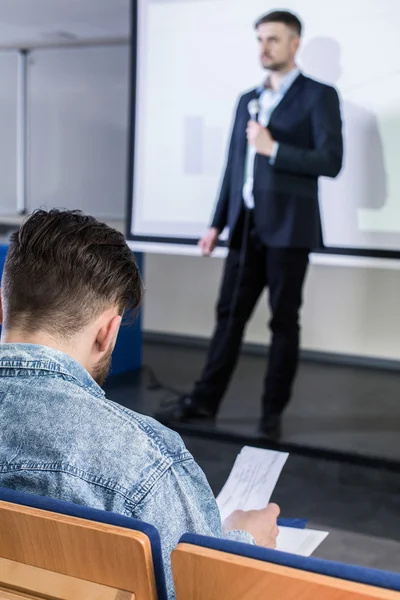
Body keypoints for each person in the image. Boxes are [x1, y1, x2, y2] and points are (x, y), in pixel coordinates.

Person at [0, 209, 280, 600]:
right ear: (108, 333)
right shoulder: (144, 459)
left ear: (2, 307)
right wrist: (244, 541)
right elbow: (204, 590)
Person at [156, 10, 343, 439]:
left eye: (273, 39)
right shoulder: (248, 99)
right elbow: (234, 167)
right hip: (245, 228)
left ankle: (271, 413)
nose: (264, 48)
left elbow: (331, 161)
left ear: (295, 43)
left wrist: (274, 148)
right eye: (260, 39)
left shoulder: (319, 96)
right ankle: (204, 402)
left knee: (282, 321)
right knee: (228, 316)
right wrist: (216, 223)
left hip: (289, 229)